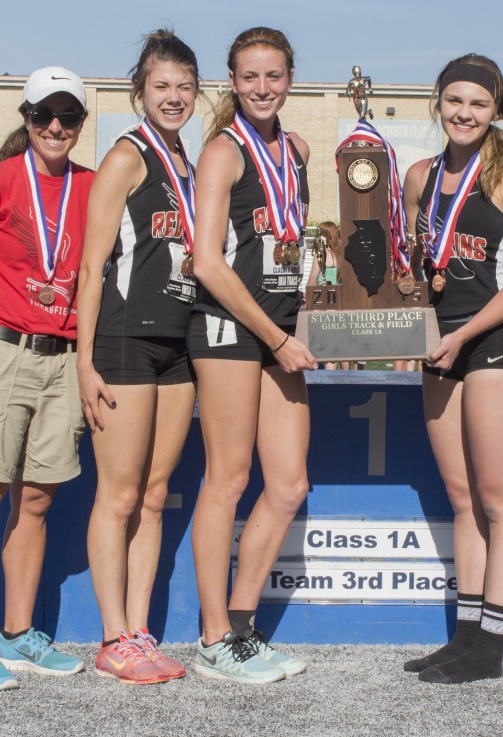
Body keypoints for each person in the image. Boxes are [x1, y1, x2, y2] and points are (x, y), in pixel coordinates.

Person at [0, 67, 93, 690]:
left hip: (63, 359)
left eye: (68, 116)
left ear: (81, 123)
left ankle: (18, 632)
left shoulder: (92, 185)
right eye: (42, 115)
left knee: (36, 500)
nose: (55, 127)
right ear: (26, 118)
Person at [401, 53, 503, 684]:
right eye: (455, 100)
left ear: (496, 110)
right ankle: (465, 633)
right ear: (439, 102)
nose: (465, 113)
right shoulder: (417, 175)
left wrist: (464, 333)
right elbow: (413, 270)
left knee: (497, 496)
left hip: (494, 342)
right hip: (441, 346)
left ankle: (492, 644)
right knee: (461, 499)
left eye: (479, 104)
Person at [188, 26, 316, 685]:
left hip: (280, 329)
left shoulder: (295, 149)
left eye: (274, 76)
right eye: (249, 77)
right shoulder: (222, 151)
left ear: (289, 76)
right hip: (232, 329)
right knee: (229, 479)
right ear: (233, 82)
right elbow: (207, 260)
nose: (262, 88)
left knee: (289, 481)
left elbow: (291, 247)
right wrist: (275, 334)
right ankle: (213, 636)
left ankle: (240, 627)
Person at [77, 29, 200, 685]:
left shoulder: (189, 163)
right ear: (139, 93)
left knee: (155, 495)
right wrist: (83, 360)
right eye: (161, 86)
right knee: (119, 494)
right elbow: (91, 265)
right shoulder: (127, 157)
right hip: (123, 339)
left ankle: (139, 629)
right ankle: (110, 636)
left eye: (184, 86)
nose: (173, 96)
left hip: (177, 344)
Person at [306, 220, 350, 370]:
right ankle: (347, 375)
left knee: (328, 348)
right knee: (340, 345)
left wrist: (306, 298)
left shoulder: (321, 255)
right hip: (339, 303)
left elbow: (312, 280)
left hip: (323, 304)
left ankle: (328, 379)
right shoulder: (341, 255)